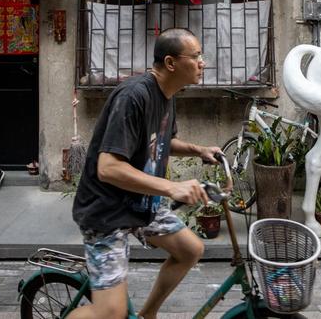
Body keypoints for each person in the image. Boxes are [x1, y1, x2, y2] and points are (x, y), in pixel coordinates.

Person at [70, 28, 221, 319]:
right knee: (110, 313)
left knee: (190, 250)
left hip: (141, 204)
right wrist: (171, 187)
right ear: (171, 63)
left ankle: (147, 314)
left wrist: (198, 149)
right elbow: (108, 167)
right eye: (196, 56)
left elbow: (160, 141)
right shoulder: (133, 96)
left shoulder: (167, 94)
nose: (203, 62)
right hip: (107, 213)